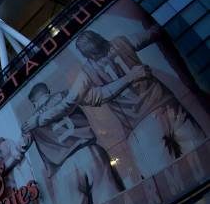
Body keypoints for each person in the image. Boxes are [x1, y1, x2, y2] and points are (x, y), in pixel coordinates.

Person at [25, 27, 206, 178]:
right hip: (168, 107)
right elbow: (152, 33)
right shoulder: (121, 42)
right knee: (203, 155)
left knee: (168, 180)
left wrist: (39, 120)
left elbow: (70, 102)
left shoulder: (86, 73)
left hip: (141, 126)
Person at [20, 82, 125, 204]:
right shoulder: (66, 95)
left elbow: (22, 145)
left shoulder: (29, 122)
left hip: (63, 171)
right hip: (90, 153)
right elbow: (98, 96)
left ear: (33, 103)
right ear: (48, 91)